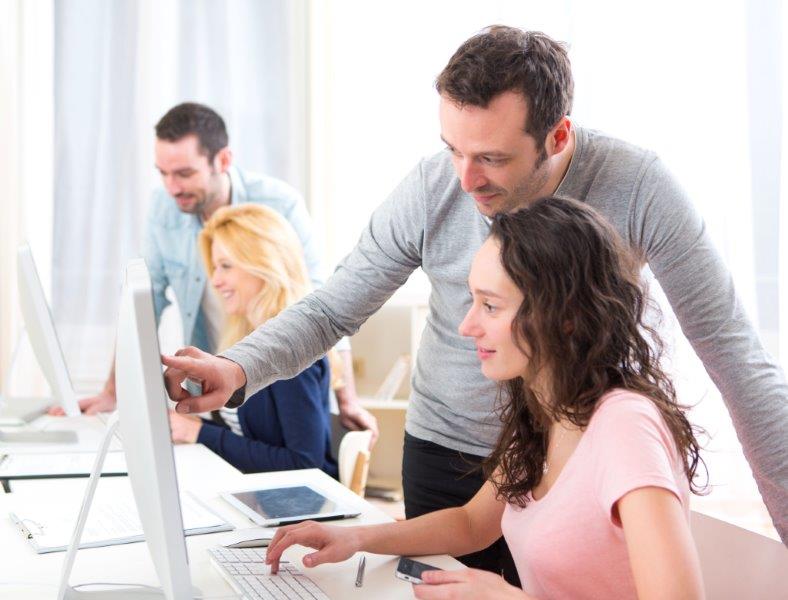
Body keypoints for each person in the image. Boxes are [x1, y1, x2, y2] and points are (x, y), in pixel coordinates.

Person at [162, 24, 788, 566]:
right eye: (453, 150)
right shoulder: (435, 185)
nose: (465, 180)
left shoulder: (640, 187)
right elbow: (333, 307)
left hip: (571, 457)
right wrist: (238, 367)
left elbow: (735, 357)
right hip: (448, 456)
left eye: (491, 157)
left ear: (558, 137)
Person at [263, 198, 706, 599]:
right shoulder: (549, 414)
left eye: (490, 306)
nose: (467, 326)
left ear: (565, 317)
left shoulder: (625, 425)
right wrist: (357, 538)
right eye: (472, 301)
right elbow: (472, 524)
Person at [59, 102, 377, 441]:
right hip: (221, 392)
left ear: (223, 160)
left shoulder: (279, 203)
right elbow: (144, 303)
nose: (172, 187)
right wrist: (112, 392)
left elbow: (320, 302)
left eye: (184, 174)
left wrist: (347, 400)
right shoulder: (164, 208)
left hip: (276, 377)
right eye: (163, 173)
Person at [168, 204, 338, 477]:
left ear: (264, 266)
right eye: (215, 268)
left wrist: (199, 433)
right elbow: (251, 437)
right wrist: (192, 426)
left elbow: (304, 464)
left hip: (293, 499)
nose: (215, 281)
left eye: (226, 266)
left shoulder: (290, 351)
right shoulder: (251, 342)